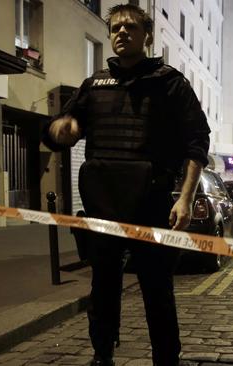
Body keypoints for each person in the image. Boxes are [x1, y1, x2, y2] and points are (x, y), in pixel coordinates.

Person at [43, 4, 210, 366]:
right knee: (103, 288)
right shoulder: (94, 85)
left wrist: (185, 198)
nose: (121, 33)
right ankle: (102, 355)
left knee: (157, 290)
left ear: (146, 35)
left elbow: (197, 141)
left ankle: (166, 359)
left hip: (151, 203)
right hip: (103, 206)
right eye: (115, 27)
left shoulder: (169, 82)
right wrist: (60, 129)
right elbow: (61, 129)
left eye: (130, 27)